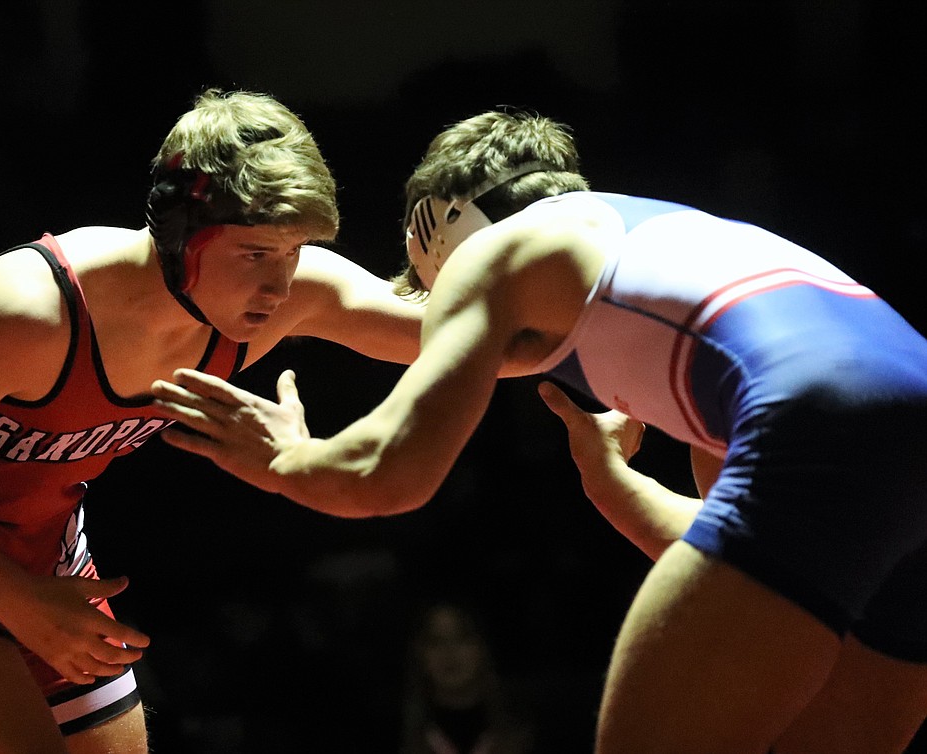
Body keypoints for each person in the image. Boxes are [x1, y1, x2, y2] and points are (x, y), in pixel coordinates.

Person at [147, 108, 927, 752]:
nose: (438, 315)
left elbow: (390, 475)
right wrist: (615, 486)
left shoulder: (494, 254)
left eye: (427, 290)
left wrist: (288, 457)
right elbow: (773, 558)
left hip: (814, 418)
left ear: (443, 227)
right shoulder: (676, 251)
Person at [0, 87, 430, 754]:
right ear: (184, 237)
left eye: (293, 254)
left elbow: (459, 335)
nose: (281, 287)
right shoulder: (30, 311)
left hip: (48, 556)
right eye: (257, 255)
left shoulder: (275, 300)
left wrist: (534, 243)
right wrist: (12, 598)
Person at [399, 599, 537, 754]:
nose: (449, 652)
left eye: (462, 638)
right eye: (435, 641)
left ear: (483, 648)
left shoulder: (522, 736)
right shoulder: (401, 738)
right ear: (419, 653)